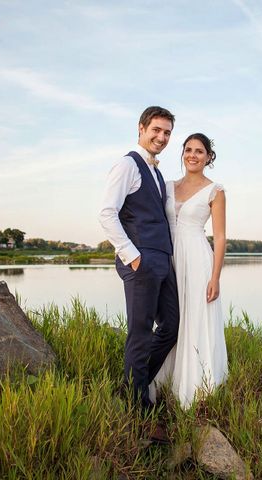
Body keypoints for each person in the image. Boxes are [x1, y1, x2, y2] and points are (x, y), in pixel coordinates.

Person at [98, 106, 180, 432]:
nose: (161, 137)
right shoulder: (127, 165)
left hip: (163, 260)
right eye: (156, 130)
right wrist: (132, 256)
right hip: (141, 261)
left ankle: (138, 383)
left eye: (167, 133)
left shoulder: (157, 174)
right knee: (140, 334)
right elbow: (106, 213)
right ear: (141, 129)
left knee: (172, 325)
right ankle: (139, 411)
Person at [152, 132, 228, 408]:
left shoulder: (215, 191)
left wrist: (215, 277)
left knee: (194, 319)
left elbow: (220, 237)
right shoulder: (168, 186)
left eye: (199, 151)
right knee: (171, 322)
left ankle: (194, 389)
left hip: (197, 260)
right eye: (188, 150)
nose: (192, 155)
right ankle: (159, 382)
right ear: (182, 153)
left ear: (208, 157)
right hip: (169, 259)